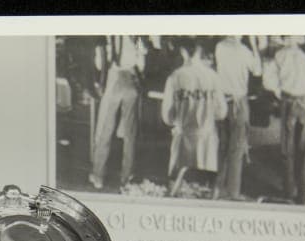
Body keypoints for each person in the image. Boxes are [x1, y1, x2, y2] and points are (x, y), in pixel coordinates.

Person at [160, 37, 228, 183]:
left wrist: (180, 120)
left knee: (181, 186)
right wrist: (207, 115)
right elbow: (222, 112)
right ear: (199, 51)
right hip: (207, 142)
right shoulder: (213, 77)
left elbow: (167, 117)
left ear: (183, 52)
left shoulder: (175, 77)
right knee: (203, 188)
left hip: (183, 140)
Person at [88, 35, 146, 190]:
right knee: (130, 133)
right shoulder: (137, 36)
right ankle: (127, 177)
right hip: (132, 80)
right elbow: (142, 64)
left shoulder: (108, 35)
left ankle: (98, 175)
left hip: (114, 78)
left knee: (105, 130)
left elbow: (100, 64)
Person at [264, 36, 305, 204]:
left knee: (287, 148)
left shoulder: (279, 55)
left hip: (289, 101)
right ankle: (302, 194)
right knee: (303, 149)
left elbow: (267, 81)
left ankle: (288, 191)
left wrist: (278, 92)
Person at [213, 35, 262, 199]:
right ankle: (233, 192)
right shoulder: (244, 51)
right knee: (236, 149)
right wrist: (255, 45)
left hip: (222, 101)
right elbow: (258, 70)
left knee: (222, 146)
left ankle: (218, 187)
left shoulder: (219, 47)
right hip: (239, 103)